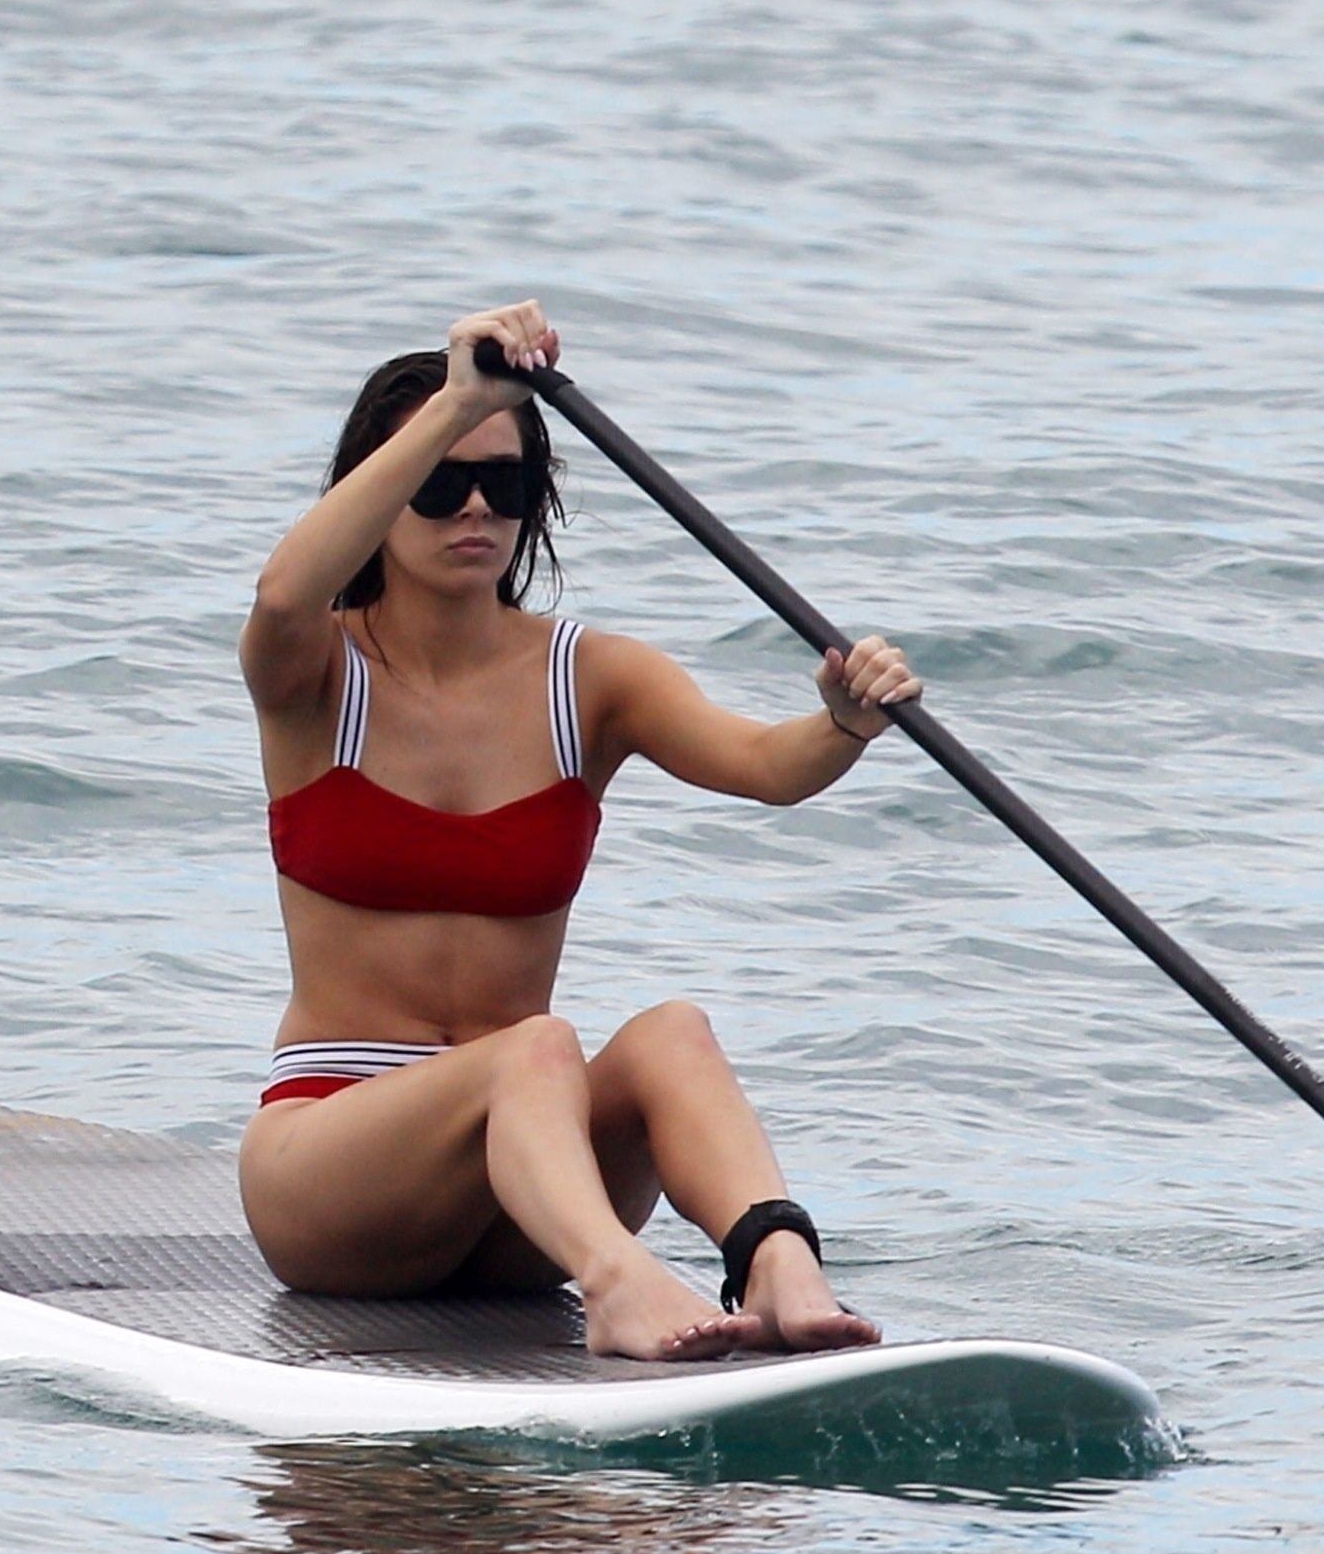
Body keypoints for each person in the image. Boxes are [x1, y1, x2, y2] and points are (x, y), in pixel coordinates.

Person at [238, 302, 921, 1361]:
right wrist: (463, 395)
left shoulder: (588, 678)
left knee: (669, 1034)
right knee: (537, 1048)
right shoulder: (314, 673)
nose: (474, 506)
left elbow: (764, 768)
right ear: (377, 492)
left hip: (525, 1196)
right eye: (437, 481)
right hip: (335, 1175)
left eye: (503, 484)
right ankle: (617, 1283)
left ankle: (781, 1267)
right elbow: (282, 589)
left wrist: (843, 722)